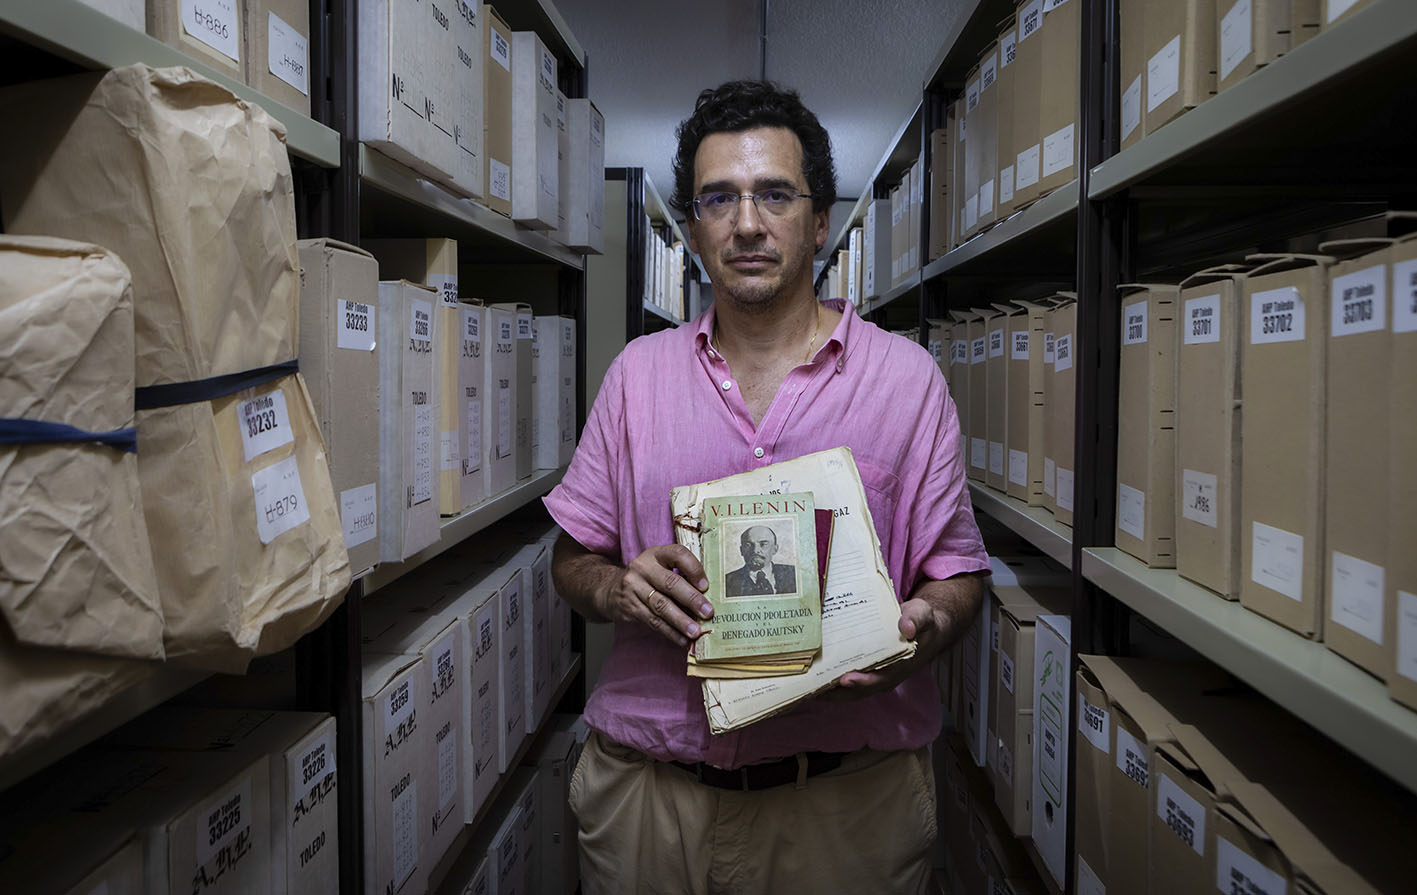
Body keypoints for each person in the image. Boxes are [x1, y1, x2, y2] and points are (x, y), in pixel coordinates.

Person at [543, 79, 989, 895]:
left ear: (819, 221)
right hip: (651, 798)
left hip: (846, 804)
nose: (747, 222)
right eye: (719, 198)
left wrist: (924, 627)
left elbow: (957, 571)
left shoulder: (906, 380)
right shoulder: (635, 376)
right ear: (692, 226)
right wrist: (617, 587)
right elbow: (570, 560)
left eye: (773, 194)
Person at [724, 524, 797, 596]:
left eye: (763, 544)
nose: (756, 550)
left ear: (775, 549)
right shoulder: (727, 582)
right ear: (741, 550)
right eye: (748, 545)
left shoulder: (794, 574)